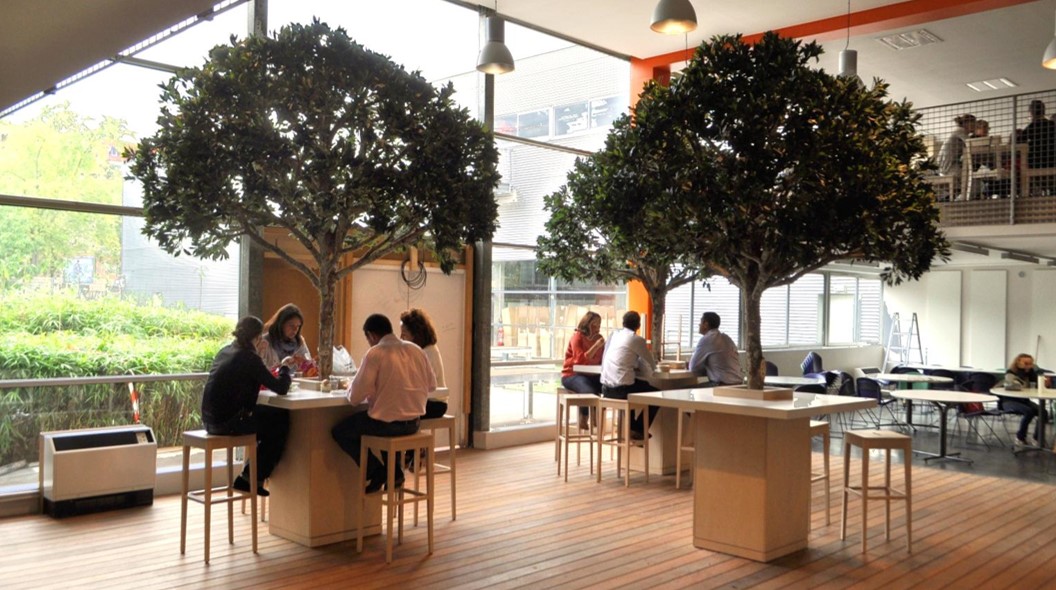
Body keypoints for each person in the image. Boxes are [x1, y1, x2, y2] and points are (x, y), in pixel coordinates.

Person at [332, 313, 436, 492]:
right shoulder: (416, 351)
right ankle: (394, 473)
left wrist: (351, 387)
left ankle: (376, 471)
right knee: (383, 418)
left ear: (371, 335)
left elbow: (355, 398)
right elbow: (432, 385)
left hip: (386, 425)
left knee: (341, 431)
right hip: (414, 424)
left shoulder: (375, 353)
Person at [201, 316, 296, 496]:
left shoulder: (225, 351)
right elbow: (281, 388)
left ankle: (250, 476)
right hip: (229, 423)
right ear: (258, 337)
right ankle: (250, 478)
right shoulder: (249, 357)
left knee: (270, 419)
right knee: (279, 421)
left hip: (210, 421)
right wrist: (284, 367)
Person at [600, 311, 658, 440]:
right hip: (622, 391)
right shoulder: (637, 339)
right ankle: (638, 429)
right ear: (638, 325)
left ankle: (633, 428)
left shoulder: (613, 335)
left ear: (623, 323)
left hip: (605, 389)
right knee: (657, 395)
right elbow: (651, 364)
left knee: (635, 384)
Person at [399, 308, 447, 418]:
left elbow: (419, 384)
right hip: (425, 400)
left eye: (404, 334)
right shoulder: (420, 351)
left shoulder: (428, 352)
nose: (401, 338)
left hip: (434, 403)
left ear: (415, 335)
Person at [561, 311, 605, 429]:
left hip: (592, 374)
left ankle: (598, 416)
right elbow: (579, 360)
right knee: (588, 390)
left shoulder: (599, 338)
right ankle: (584, 416)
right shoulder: (577, 337)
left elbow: (602, 359)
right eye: (595, 324)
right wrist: (596, 346)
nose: (597, 327)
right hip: (572, 374)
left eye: (599, 324)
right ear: (587, 324)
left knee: (610, 387)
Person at [1001, 353, 1050, 448]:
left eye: (1031, 363)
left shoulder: (1031, 373)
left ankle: (1037, 438)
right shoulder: (1010, 373)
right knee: (1029, 412)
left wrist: (1044, 383)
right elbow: (1012, 385)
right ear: (1018, 363)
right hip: (1009, 401)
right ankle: (1020, 437)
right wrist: (1024, 374)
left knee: (1043, 412)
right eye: (1026, 363)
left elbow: (1036, 386)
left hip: (1024, 400)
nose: (1029, 366)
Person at [688, 312, 743, 387]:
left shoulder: (707, 339)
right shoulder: (726, 338)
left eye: (701, 322)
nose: (699, 325)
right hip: (739, 384)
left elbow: (693, 368)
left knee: (683, 391)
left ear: (706, 324)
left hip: (722, 385)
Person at [257, 303, 312, 371]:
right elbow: (258, 369)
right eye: (291, 325)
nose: (295, 329)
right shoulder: (264, 342)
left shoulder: (299, 342)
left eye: (298, 326)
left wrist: (304, 363)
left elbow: (309, 366)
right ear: (281, 324)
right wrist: (281, 366)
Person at [936, 113, 977, 201]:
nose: (975, 126)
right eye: (973, 123)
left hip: (949, 164)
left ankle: (961, 197)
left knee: (968, 177)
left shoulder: (959, 132)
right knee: (969, 178)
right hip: (948, 165)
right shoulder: (960, 131)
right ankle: (962, 198)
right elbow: (970, 144)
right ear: (967, 123)